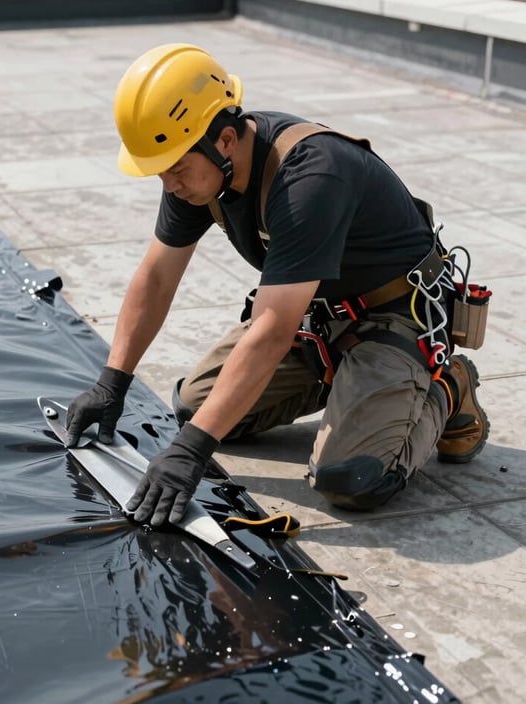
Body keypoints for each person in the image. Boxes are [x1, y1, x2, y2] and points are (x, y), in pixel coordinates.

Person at [65, 43, 489, 527]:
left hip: (393, 317)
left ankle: (447, 387)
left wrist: (191, 453)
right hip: (319, 318)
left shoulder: (310, 176)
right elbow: (157, 275)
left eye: (175, 168)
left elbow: (271, 331)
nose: (169, 184)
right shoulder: (199, 169)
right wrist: (111, 381)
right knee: (198, 407)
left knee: (350, 480)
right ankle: (350, 384)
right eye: (160, 170)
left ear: (224, 139)